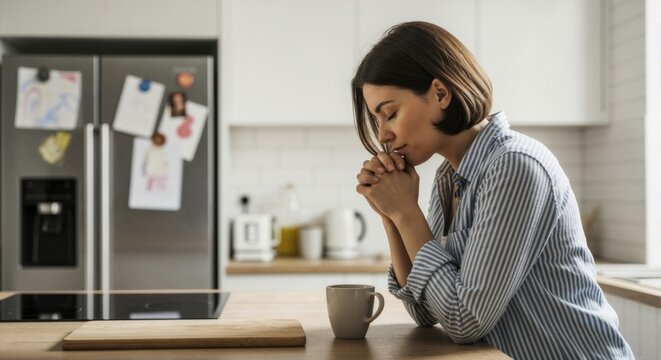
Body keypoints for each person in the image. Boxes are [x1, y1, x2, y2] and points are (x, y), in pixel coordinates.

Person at [353, 21, 633, 359]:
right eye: (378, 121)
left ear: (440, 94)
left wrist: (405, 212)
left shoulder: (514, 166)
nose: (383, 135)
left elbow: (464, 320)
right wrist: (391, 217)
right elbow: (426, 312)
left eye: (390, 114)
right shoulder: (448, 178)